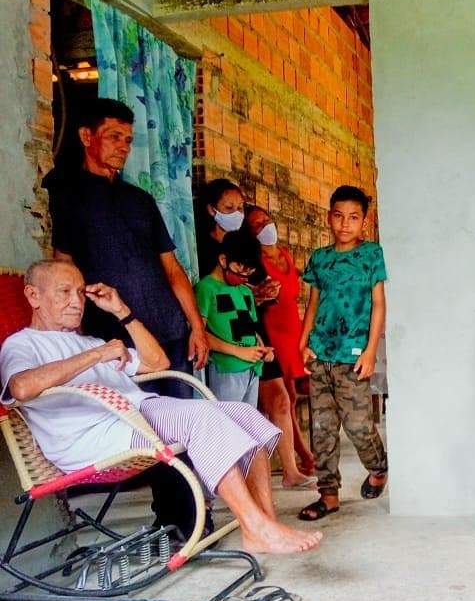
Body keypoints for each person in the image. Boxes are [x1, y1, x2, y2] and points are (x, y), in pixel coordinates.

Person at [0, 260, 323, 556]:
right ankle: (256, 527)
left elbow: (158, 362)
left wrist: (121, 310)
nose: (76, 301)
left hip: (134, 417)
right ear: (33, 295)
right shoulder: (22, 344)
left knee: (245, 415)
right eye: (64, 292)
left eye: (79, 293)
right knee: (203, 417)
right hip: (96, 435)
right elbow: (22, 387)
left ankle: (264, 522)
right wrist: (95, 357)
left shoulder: (92, 342)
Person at [42, 97, 209, 537]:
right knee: (148, 430)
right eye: (114, 136)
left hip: (169, 331)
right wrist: (71, 333)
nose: (123, 146)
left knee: (180, 425)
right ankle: (174, 519)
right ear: (86, 137)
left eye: (129, 140)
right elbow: (64, 264)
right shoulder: (68, 194)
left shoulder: (139, 199)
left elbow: (173, 270)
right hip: (115, 340)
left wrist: (196, 326)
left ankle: (189, 518)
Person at [296, 185, 388, 521]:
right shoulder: (320, 259)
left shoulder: (371, 255)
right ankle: (329, 494)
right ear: (329, 217)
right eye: (338, 216)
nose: (344, 224)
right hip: (321, 353)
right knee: (321, 427)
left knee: (359, 425)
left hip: (353, 355)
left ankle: (379, 469)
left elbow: (378, 305)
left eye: (353, 217)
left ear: (364, 221)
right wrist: (304, 342)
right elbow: (313, 303)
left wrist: (370, 351)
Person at [244, 204, 316, 475]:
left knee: (295, 394)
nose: (265, 227)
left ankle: (300, 455)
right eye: (257, 225)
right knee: (286, 396)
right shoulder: (255, 262)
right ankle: (302, 456)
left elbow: (296, 287)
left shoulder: (285, 254)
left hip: (293, 328)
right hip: (273, 330)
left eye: (266, 220)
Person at [195, 230, 274, 407]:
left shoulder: (245, 291)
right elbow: (199, 334)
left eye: (249, 274)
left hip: (253, 368)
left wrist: (262, 348)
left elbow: (251, 330)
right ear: (223, 260)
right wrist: (238, 351)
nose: (243, 278)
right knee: (228, 426)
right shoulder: (206, 288)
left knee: (246, 424)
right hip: (227, 369)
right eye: (240, 271)